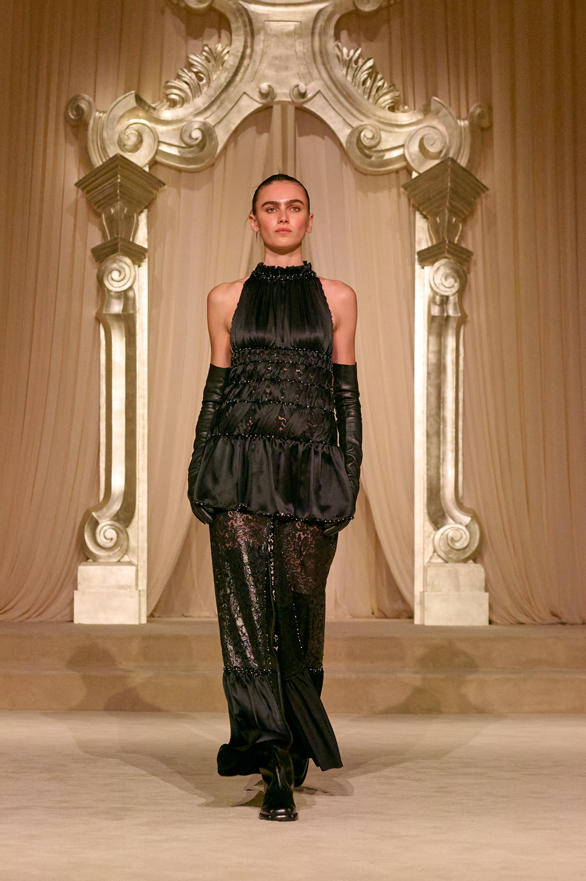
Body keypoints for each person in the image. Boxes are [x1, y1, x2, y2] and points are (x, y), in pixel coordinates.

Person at [187, 174, 362, 822]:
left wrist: (348, 473)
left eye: (293, 208)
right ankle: (269, 757)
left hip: (309, 473)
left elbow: (346, 395)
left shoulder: (337, 297)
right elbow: (216, 389)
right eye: (270, 208)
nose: (282, 217)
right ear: (253, 221)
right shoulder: (225, 298)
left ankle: (292, 740)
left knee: (298, 609)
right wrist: (198, 465)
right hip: (237, 466)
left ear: (309, 220)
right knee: (244, 614)